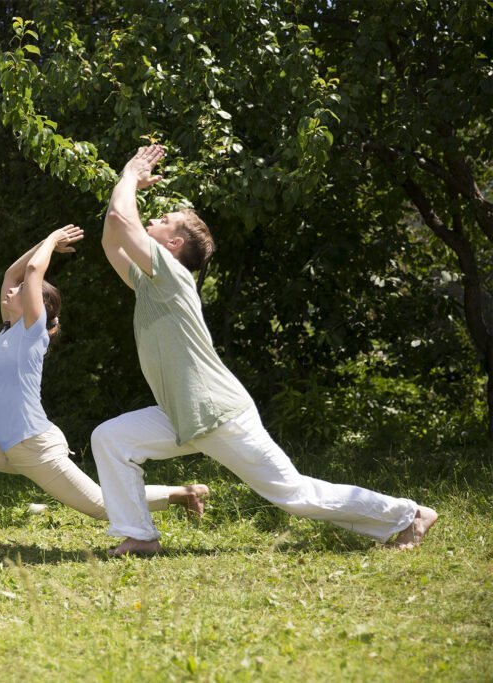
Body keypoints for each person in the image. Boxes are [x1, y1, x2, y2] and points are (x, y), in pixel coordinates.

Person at [92, 144, 438, 556]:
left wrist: (131, 174)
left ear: (174, 244)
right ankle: (140, 537)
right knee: (111, 438)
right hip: (182, 414)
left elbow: (119, 217)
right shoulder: (149, 282)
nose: (153, 218)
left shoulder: (171, 276)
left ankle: (408, 515)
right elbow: (111, 237)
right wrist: (126, 179)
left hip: (219, 414)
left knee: (294, 495)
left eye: (164, 220)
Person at [0, 225, 208, 535]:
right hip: (3, 443)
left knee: (101, 506)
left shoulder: (31, 332)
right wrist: (45, 241)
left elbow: (35, 269)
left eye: (23, 289)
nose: (12, 290)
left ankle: (183, 494)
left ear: (36, 305)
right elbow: (12, 275)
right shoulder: (9, 329)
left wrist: (52, 241)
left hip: (35, 445)